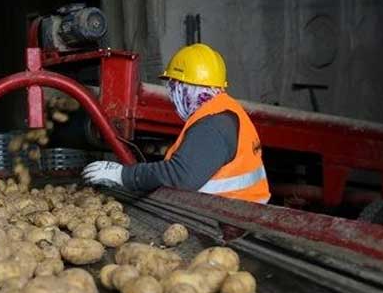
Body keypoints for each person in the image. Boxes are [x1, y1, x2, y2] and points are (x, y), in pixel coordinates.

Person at [82, 43, 270, 204]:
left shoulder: (213, 124)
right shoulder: (221, 110)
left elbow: (180, 176)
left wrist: (123, 175)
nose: (172, 96)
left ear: (186, 87)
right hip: (237, 210)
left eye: (174, 86)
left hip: (232, 218)